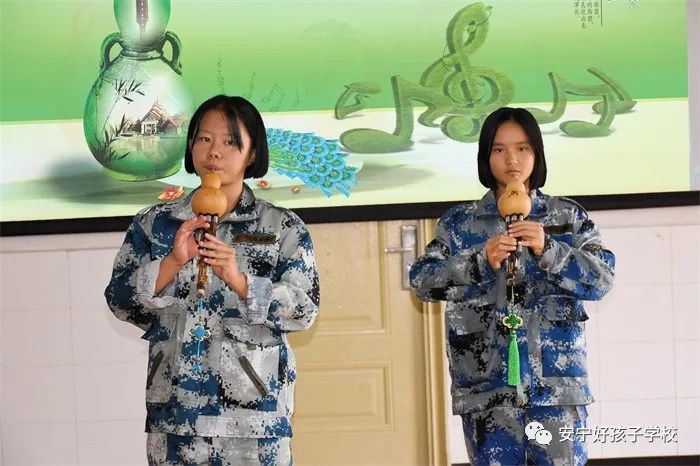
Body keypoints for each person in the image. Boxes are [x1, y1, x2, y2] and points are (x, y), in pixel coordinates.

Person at [105, 95, 319, 465]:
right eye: (205, 139)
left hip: (253, 422)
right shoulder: (156, 223)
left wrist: (241, 281)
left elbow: (304, 310)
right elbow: (120, 301)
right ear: (191, 146)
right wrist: (173, 262)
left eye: (230, 141)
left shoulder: (282, 226)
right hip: (176, 421)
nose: (214, 152)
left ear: (252, 154)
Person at [409, 107, 615, 466]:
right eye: (499, 149)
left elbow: (602, 280)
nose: (512, 160)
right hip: (488, 395)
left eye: (522, 148)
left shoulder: (566, 218)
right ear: (486, 157)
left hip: (555, 394)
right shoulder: (460, 224)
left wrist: (549, 249)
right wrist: (478, 260)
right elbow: (422, 281)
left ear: (537, 153)